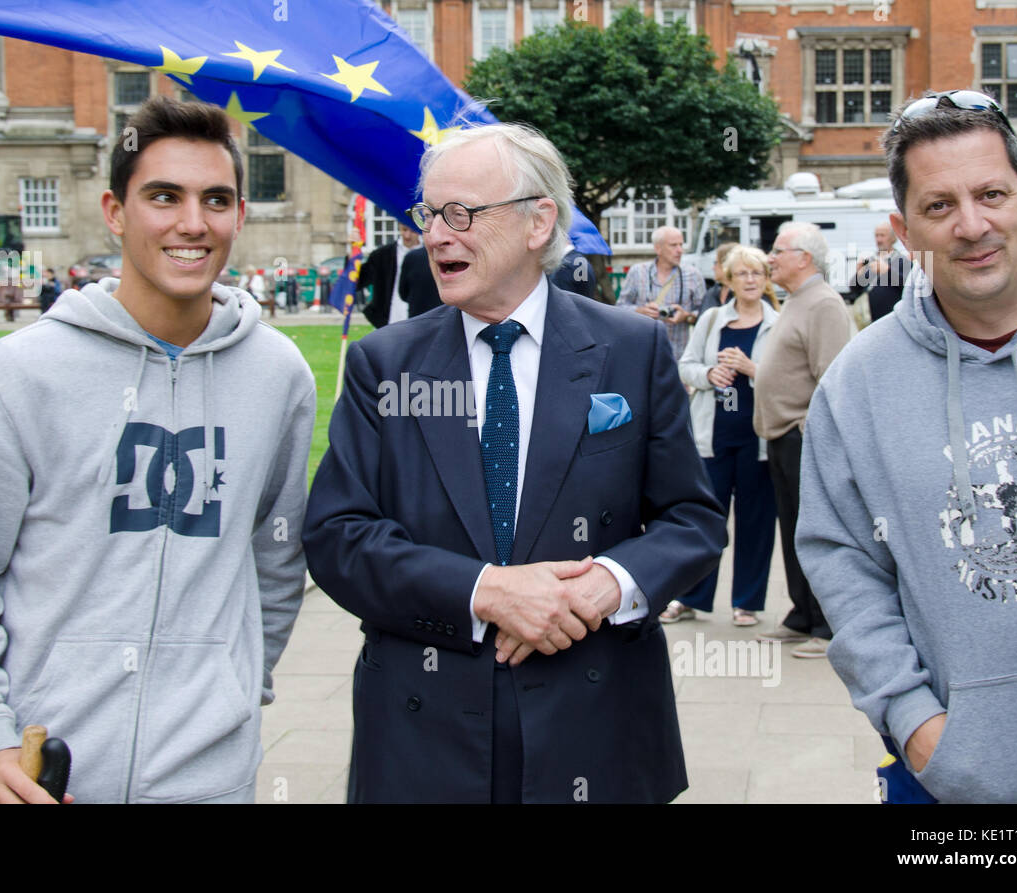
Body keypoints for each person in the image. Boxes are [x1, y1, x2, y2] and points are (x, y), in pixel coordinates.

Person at [0, 96, 316, 804]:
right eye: (164, 196)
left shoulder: (280, 377)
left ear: (239, 216)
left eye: (216, 199)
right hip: (42, 776)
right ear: (115, 211)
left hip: (209, 779)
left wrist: (238, 686)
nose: (193, 222)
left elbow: (276, 563)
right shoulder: (18, 373)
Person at [303, 123, 727, 804]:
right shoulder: (382, 363)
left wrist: (608, 585)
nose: (437, 235)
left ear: (539, 223)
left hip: (595, 730)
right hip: (424, 740)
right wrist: (487, 591)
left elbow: (692, 521)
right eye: (429, 214)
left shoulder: (633, 348)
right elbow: (338, 536)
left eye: (462, 213)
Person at [797, 90, 1017, 802]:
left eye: (991, 194)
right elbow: (841, 559)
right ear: (904, 229)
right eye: (939, 206)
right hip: (952, 782)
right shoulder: (857, 384)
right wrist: (914, 718)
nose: (972, 225)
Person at [751, 221, 853, 659]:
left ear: (804, 258)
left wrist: (806, 432)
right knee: (791, 530)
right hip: (781, 437)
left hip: (802, 438)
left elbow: (833, 380)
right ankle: (801, 613)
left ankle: (827, 626)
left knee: (812, 533)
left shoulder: (824, 305)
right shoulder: (798, 300)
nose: (769, 257)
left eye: (778, 250)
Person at [664, 245, 780, 627]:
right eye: (742, 274)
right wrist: (709, 375)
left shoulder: (777, 324)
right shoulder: (713, 319)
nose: (750, 281)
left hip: (758, 439)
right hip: (713, 437)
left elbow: (789, 382)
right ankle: (691, 597)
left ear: (766, 280)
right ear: (728, 280)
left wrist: (751, 368)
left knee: (755, 523)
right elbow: (686, 366)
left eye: (757, 273)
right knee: (706, 522)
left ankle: (747, 602)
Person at [616, 225, 706, 360]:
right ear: (658, 248)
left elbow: (705, 315)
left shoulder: (693, 275)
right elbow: (619, 308)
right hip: (643, 353)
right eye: (673, 245)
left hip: (678, 356)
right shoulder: (638, 272)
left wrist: (686, 316)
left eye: (681, 244)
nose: (680, 250)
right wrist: (640, 311)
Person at [848, 220, 912, 325]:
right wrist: (859, 274)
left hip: (892, 321)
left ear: (893, 238)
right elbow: (854, 289)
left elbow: (908, 286)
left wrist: (887, 271)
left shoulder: (902, 261)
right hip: (870, 321)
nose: (879, 239)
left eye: (882, 235)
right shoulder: (871, 261)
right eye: (876, 236)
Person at [358, 224, 420, 327]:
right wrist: (353, 254)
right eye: (404, 230)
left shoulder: (428, 254)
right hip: (389, 319)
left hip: (419, 319)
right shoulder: (382, 255)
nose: (407, 236)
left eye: (412, 231)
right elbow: (358, 280)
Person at [396, 243, 442, 318]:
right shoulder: (453, 257)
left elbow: (403, 293)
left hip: (417, 316)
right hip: (442, 316)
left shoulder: (411, 256)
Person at [698, 241, 738, 317]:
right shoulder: (711, 294)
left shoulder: (743, 295)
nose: (713, 268)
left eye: (716, 263)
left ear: (726, 265)